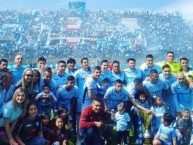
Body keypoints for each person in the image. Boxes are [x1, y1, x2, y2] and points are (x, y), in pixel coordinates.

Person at [74, 57, 92, 128]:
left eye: (87, 62)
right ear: (81, 63)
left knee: (88, 113)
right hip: (80, 97)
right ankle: (79, 129)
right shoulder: (77, 73)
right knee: (79, 113)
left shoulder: (91, 72)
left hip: (89, 97)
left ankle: (87, 128)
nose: (86, 64)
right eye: (84, 62)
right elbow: (75, 85)